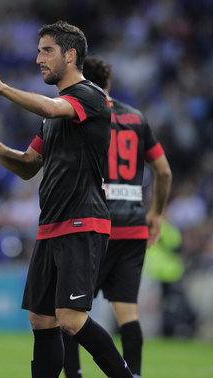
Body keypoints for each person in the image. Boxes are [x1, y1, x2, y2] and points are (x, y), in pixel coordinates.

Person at [0, 21, 133, 377]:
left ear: (70, 55)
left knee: (71, 320)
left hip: (81, 220)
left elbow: (50, 108)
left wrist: (0, 88)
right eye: (39, 50)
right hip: (51, 226)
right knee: (41, 320)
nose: (38, 58)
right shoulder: (53, 116)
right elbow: (28, 165)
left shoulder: (89, 96)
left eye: (47, 51)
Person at [62, 56, 172, 378]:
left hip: (96, 224)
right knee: (128, 312)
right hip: (135, 225)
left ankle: (74, 375)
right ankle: (133, 375)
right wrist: (156, 213)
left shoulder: (83, 112)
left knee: (67, 311)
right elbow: (163, 171)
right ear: (109, 85)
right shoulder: (137, 118)